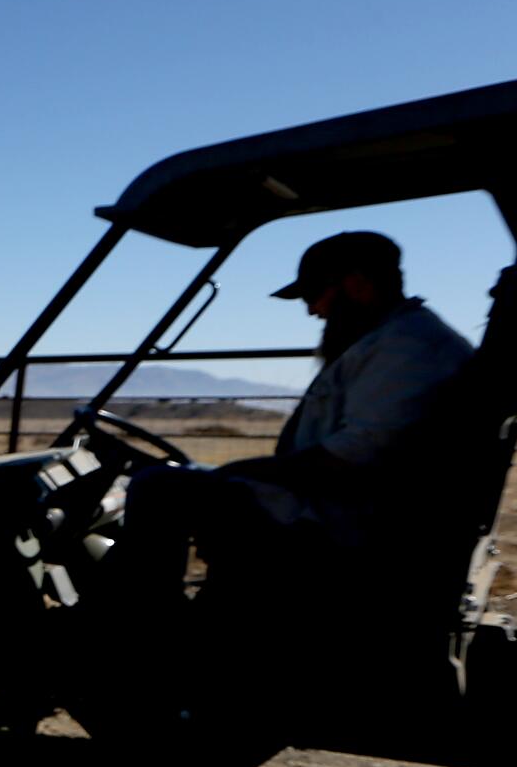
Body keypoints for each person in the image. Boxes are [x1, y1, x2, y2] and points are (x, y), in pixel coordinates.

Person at [110, 230, 475, 605]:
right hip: (344, 509)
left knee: (158, 487)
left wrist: (248, 472)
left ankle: (138, 622)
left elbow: (356, 455)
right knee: (182, 479)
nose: (312, 310)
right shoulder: (391, 341)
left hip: (344, 523)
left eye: (315, 294)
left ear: (358, 284)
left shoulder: (408, 347)